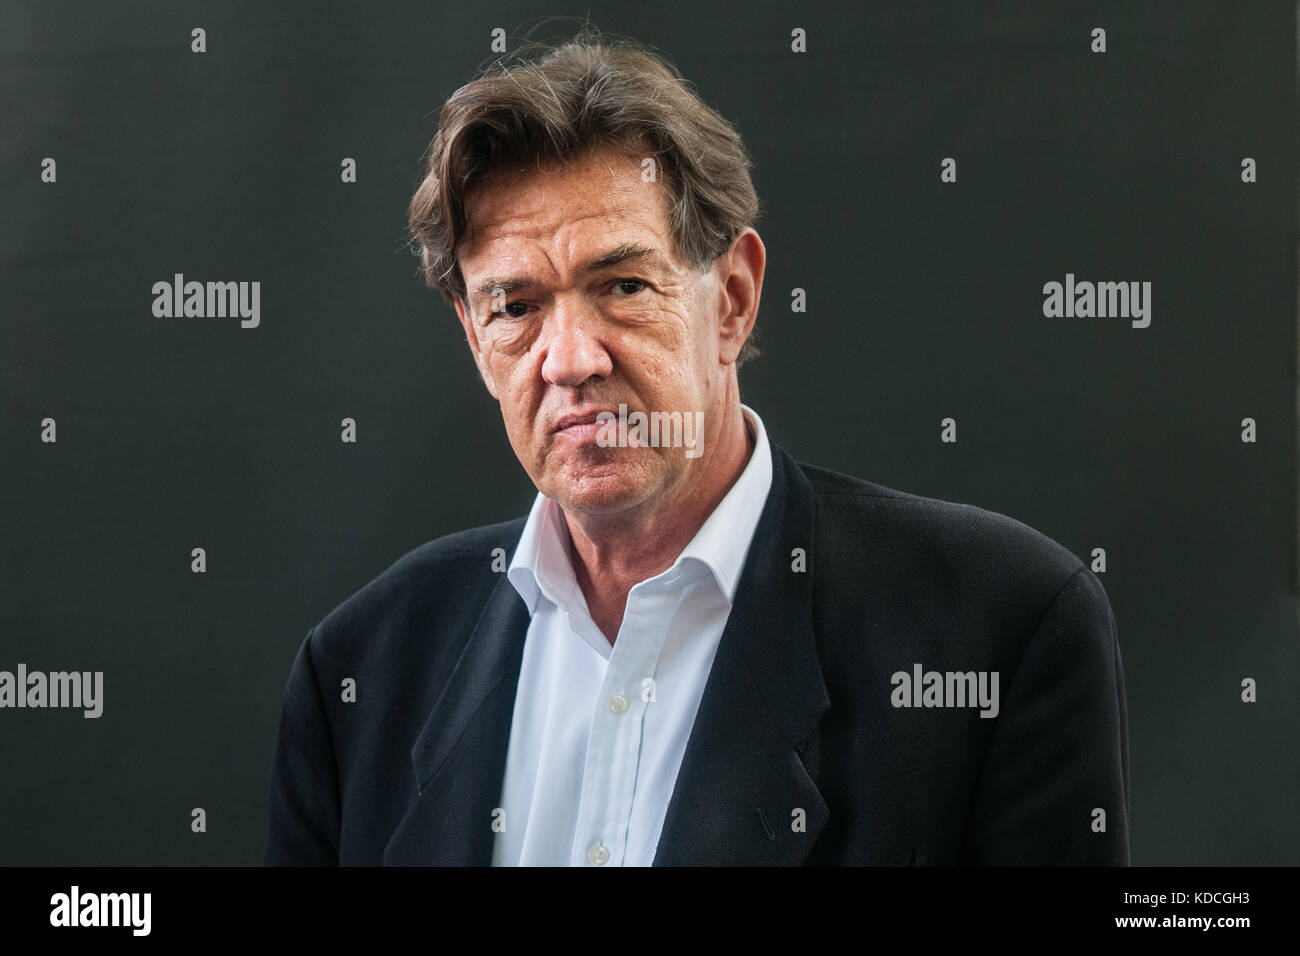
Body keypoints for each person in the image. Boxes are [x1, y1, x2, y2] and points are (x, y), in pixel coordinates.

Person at [265, 28, 1129, 866]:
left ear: (734, 299)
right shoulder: (360, 672)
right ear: (472, 336)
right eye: (515, 308)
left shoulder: (998, 631)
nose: (569, 360)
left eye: (624, 285)